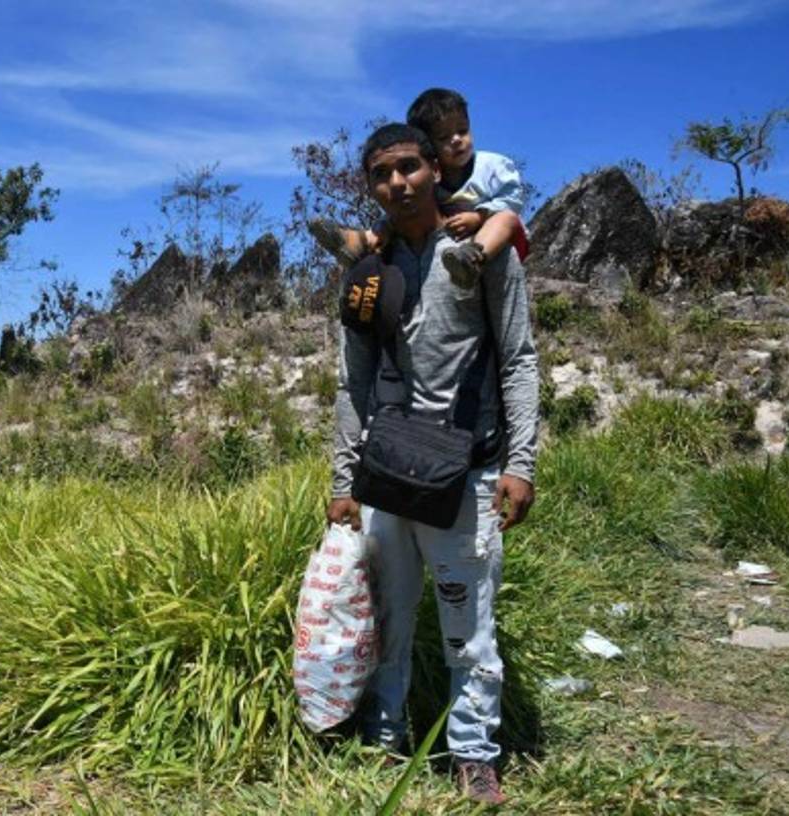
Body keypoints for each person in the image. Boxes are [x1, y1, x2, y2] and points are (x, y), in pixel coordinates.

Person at [326, 122, 539, 806]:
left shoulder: (483, 251)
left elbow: (519, 358)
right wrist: (342, 482)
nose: (397, 183)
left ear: (434, 169)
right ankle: (384, 734)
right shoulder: (367, 272)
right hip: (388, 471)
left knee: (466, 621)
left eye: (409, 167)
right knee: (389, 612)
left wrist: (520, 463)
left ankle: (474, 752)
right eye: (382, 173)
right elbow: (351, 383)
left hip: (467, 470)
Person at [309, 88, 528, 290]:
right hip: (454, 238)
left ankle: (470, 261)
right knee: (395, 218)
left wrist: (479, 217)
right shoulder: (426, 179)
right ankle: (360, 241)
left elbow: (514, 198)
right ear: (429, 147)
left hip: (501, 236)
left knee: (506, 218)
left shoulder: (492, 165)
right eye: (444, 137)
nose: (457, 140)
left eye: (463, 131)